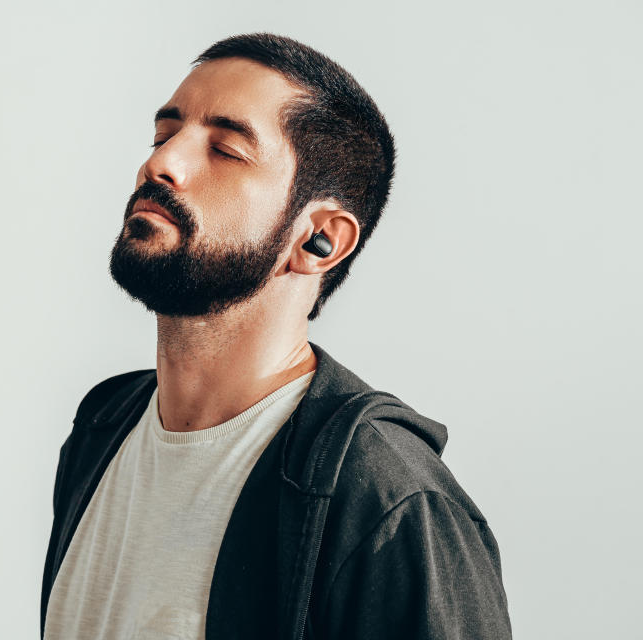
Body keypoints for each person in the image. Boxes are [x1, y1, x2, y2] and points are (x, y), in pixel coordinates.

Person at [40, 32, 512, 640]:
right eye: (164, 134)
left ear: (319, 240)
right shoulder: (102, 428)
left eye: (227, 150)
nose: (162, 163)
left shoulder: (387, 499)